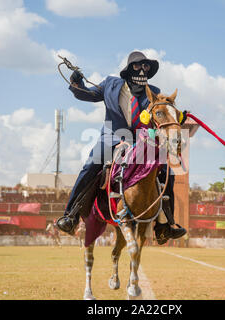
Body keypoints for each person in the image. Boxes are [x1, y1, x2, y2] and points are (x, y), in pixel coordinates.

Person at [55, 51, 186, 244]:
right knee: (91, 166)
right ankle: (71, 216)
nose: (143, 69)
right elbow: (88, 95)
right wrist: (76, 84)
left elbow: (164, 112)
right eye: (138, 66)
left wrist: (179, 116)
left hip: (143, 141)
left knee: (167, 172)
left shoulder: (155, 92)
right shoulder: (110, 84)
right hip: (111, 138)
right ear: (129, 69)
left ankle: (165, 225)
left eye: (146, 67)